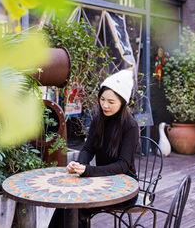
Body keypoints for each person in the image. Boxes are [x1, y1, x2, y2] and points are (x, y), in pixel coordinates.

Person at [48, 69, 139, 228]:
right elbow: (88, 149)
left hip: (124, 189)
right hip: (101, 182)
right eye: (102, 99)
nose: (105, 105)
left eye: (111, 102)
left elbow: (123, 165)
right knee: (65, 204)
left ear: (122, 102)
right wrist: (79, 165)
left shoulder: (130, 126)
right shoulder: (99, 120)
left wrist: (88, 170)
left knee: (78, 209)